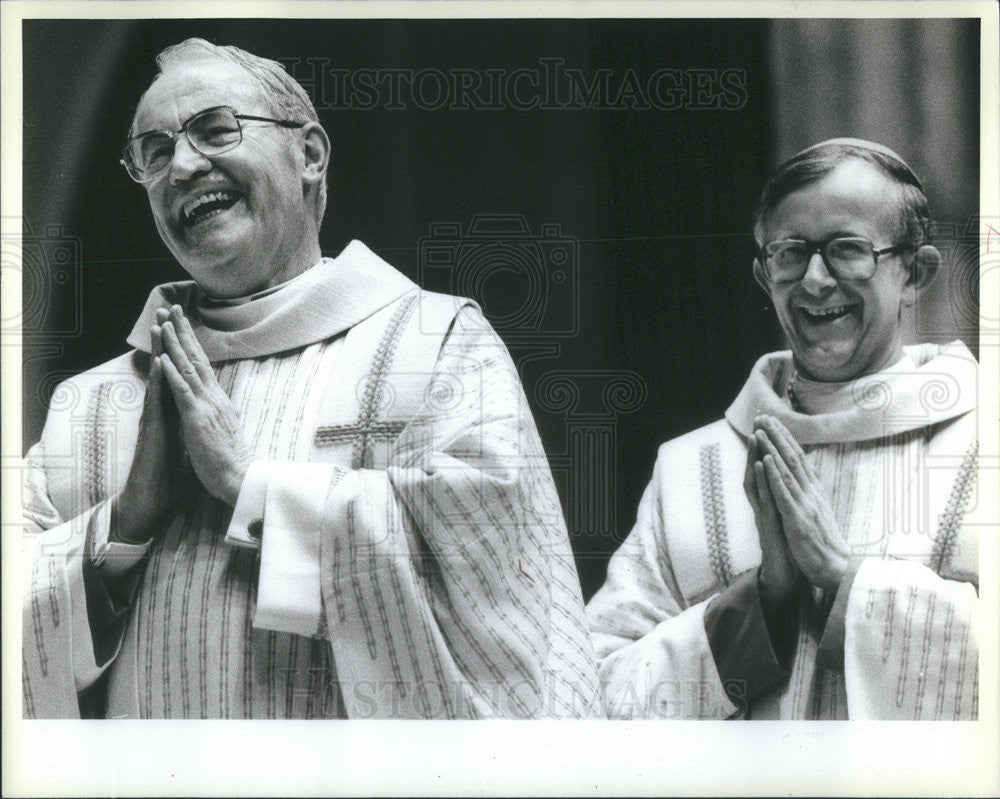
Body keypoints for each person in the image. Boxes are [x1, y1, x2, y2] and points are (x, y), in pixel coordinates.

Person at [21, 38, 598, 719]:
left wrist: (249, 486)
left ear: (311, 154)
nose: (180, 165)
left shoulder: (434, 346)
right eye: (153, 151)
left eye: (214, 129)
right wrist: (125, 524)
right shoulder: (88, 404)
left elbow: (501, 594)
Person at [586, 138, 980, 720]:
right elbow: (593, 693)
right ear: (762, 275)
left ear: (915, 275)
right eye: (790, 253)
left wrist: (844, 580)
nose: (815, 281)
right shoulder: (691, 469)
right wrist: (760, 605)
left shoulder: (982, 442)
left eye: (847, 250)